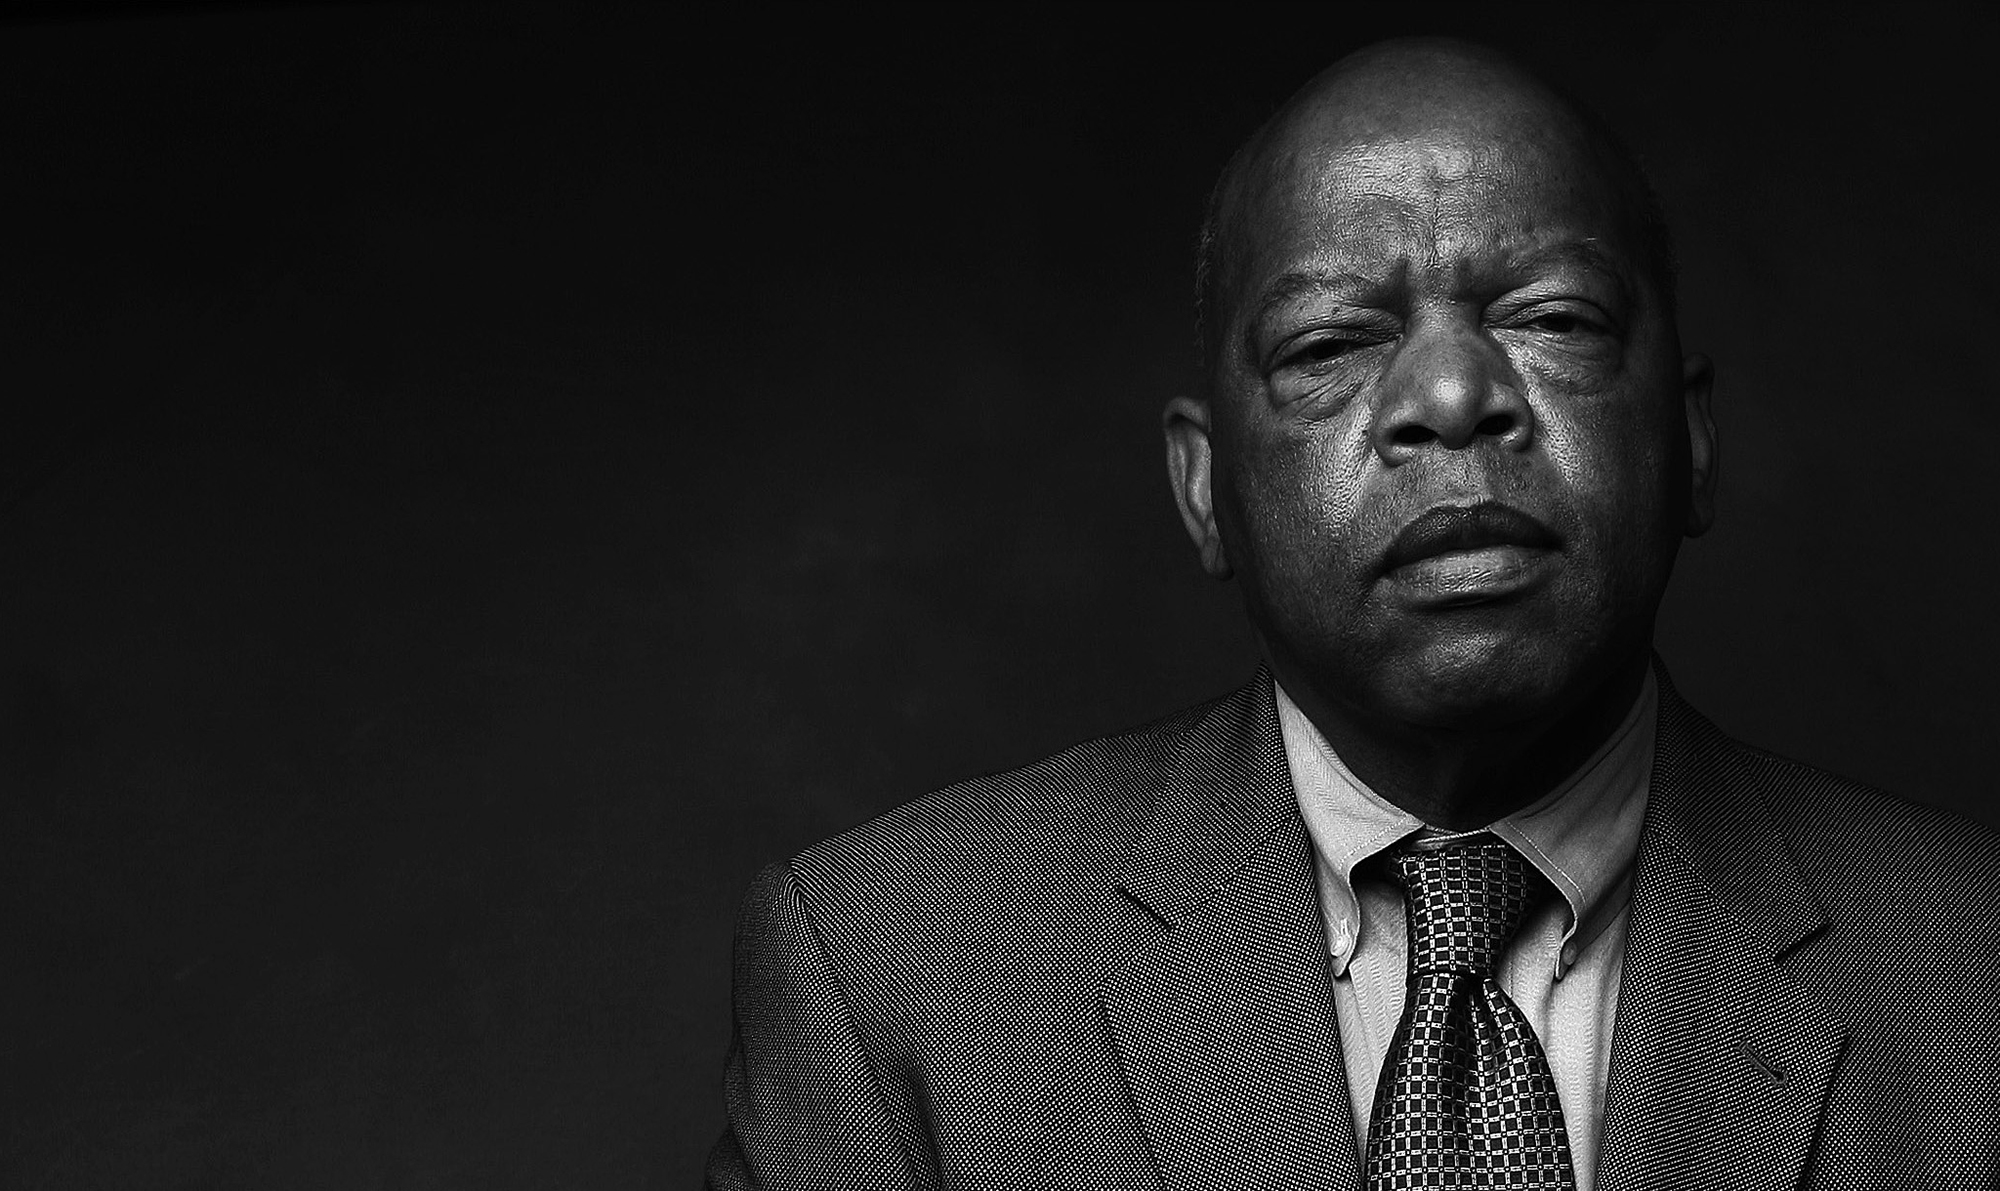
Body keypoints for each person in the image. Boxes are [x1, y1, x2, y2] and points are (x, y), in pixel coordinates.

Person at [707, 37, 2000, 1190]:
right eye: (1329, 345)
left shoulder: (1972, 975)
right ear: (1205, 488)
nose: (1449, 392)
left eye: (1551, 317)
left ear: (1693, 435)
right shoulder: (892, 975)